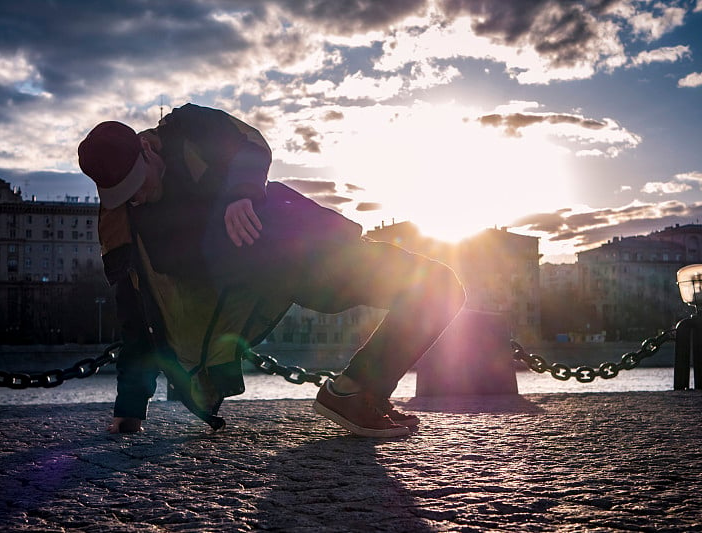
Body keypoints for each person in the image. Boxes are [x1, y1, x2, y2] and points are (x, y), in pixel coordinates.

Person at [78, 103, 465, 438]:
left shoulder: (190, 126)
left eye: (136, 185)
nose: (135, 198)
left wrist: (240, 195)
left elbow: (249, 143)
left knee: (441, 286)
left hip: (312, 249)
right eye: (122, 196)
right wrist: (129, 407)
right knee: (438, 288)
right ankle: (354, 393)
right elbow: (135, 312)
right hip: (260, 288)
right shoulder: (122, 222)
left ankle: (361, 391)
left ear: (147, 147)